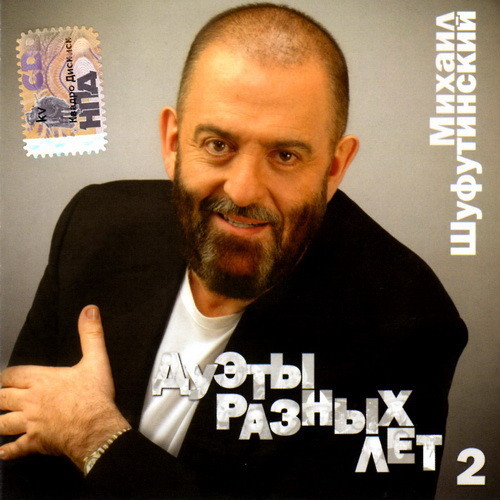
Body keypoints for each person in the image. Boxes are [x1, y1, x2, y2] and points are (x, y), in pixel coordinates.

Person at [1, 4, 467, 498]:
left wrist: (95, 436)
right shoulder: (95, 224)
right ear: (173, 142)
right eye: (218, 145)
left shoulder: (407, 325)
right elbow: (19, 455)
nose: (243, 191)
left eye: (285, 156)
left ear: (334, 167)